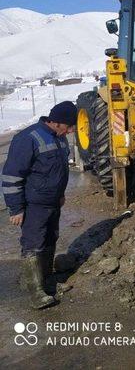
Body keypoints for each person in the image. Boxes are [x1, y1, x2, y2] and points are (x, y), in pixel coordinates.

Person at [2, 101, 77, 309]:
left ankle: (47, 283)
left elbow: (59, 171)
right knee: (33, 244)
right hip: (34, 204)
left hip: (53, 203)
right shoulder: (29, 138)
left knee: (50, 239)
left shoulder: (60, 140)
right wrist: (16, 208)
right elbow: (11, 176)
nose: (71, 131)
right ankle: (35, 292)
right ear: (57, 122)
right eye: (69, 126)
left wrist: (60, 194)